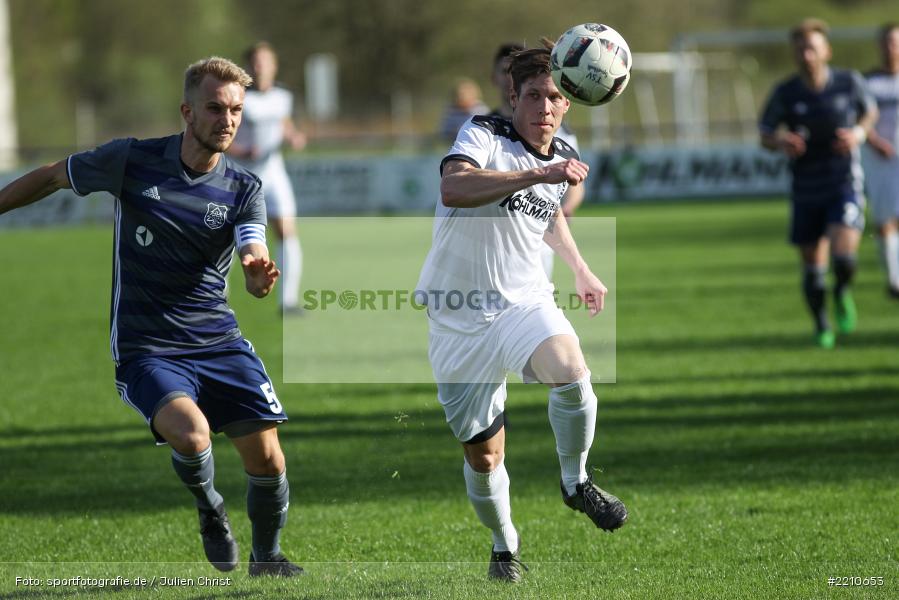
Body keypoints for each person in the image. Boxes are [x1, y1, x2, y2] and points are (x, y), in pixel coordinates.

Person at [0, 57, 302, 577]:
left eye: (236, 111)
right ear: (187, 112)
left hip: (218, 340)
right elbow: (51, 177)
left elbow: (252, 244)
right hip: (148, 346)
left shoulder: (244, 187)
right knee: (193, 436)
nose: (227, 120)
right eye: (215, 108)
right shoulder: (132, 160)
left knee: (269, 460)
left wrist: (257, 271)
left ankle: (267, 558)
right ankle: (209, 506)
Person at [417, 40, 627, 583]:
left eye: (554, 97)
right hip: (457, 316)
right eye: (533, 95)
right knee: (485, 458)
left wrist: (580, 268)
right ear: (514, 97)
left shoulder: (562, 151)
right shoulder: (483, 133)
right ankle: (503, 544)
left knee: (572, 371)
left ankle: (575, 482)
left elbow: (547, 216)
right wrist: (539, 175)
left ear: (569, 102)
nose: (544, 108)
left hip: (523, 303)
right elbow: (454, 187)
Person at [759, 18, 878, 348]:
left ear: (827, 51)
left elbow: (869, 113)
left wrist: (858, 133)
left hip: (843, 182)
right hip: (806, 188)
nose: (806, 55)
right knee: (813, 268)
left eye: (811, 48)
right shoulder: (786, 92)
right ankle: (822, 323)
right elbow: (765, 134)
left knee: (844, 258)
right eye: (800, 49)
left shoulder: (848, 82)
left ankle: (841, 292)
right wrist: (781, 141)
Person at [489, 42, 586, 278]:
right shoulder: (483, 129)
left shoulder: (561, 134)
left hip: (539, 238)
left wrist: (564, 210)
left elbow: (574, 181)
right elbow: (458, 183)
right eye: (504, 71)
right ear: (494, 78)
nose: (508, 77)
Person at [228, 42, 306, 314]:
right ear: (247, 66)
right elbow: (222, 135)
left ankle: (288, 301)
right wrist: (242, 151)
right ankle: (217, 298)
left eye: (265, 61)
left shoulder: (282, 96)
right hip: (241, 176)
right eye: (255, 61)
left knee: (286, 231)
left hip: (273, 173)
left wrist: (293, 136)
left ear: (274, 66)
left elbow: (284, 122)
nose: (260, 67)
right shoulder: (238, 95)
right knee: (225, 238)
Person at [862, 23, 899, 299]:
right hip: (879, 158)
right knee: (885, 216)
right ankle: (894, 279)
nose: (891, 48)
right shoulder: (867, 82)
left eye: (895, 42)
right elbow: (857, 116)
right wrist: (874, 141)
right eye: (887, 42)